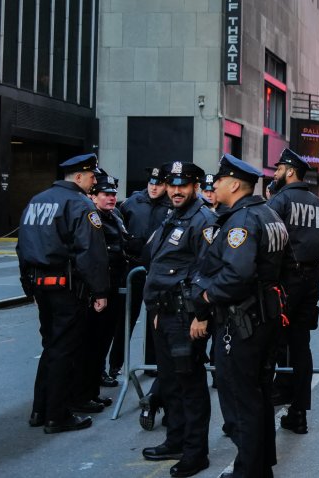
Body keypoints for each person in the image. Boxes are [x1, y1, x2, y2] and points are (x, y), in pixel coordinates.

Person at [192, 154, 288, 478]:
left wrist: (204, 296)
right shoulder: (269, 214)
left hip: (242, 323)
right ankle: (261, 467)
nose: (214, 185)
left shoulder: (242, 221)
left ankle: (248, 470)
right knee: (258, 397)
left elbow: (236, 275)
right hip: (265, 319)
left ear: (234, 184)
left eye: (218, 180)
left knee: (240, 401)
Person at [17, 153, 109, 434]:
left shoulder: (37, 200)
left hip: (41, 286)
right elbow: (90, 252)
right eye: (92, 176)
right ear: (78, 177)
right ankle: (58, 415)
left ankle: (40, 410)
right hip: (68, 288)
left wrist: (27, 286)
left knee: (51, 346)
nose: (95, 181)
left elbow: (22, 246)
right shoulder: (80, 205)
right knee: (66, 350)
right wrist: (100, 290)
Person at [141, 161, 216, 478]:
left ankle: (196, 452)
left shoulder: (203, 220)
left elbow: (208, 272)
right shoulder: (173, 216)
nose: (175, 190)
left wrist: (201, 316)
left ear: (196, 187)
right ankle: (175, 440)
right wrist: (157, 311)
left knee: (190, 385)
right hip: (165, 313)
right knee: (171, 383)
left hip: (187, 317)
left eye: (182, 185)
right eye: (172, 184)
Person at [268, 149, 319, 434]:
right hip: (310, 283)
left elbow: (270, 244)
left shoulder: (279, 201)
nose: (274, 173)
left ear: (289, 171)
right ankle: (299, 414)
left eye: (278, 168)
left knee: (274, 342)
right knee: (301, 346)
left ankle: (278, 394)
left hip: (283, 284)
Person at [116, 165, 172, 430]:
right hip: (133, 270)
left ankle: (152, 364)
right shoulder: (132, 203)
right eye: (151, 182)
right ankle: (115, 364)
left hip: (155, 272)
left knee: (154, 321)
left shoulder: (169, 207)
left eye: (159, 184)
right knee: (125, 319)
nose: (154, 187)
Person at [74, 171, 127, 412]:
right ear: (93, 197)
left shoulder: (113, 215)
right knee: (92, 345)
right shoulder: (93, 217)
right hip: (99, 289)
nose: (111, 198)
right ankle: (84, 393)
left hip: (114, 286)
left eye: (114, 194)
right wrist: (98, 292)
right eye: (106, 194)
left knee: (103, 341)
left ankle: (92, 391)